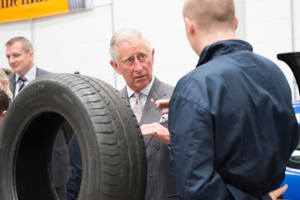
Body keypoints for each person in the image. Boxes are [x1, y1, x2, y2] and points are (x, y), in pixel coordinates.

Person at [167, 0, 299, 199]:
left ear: (190, 26)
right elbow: (289, 139)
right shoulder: (274, 73)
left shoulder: (194, 87)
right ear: (235, 22)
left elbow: (197, 189)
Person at [66, 28, 178, 200]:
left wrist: (172, 139)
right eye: (130, 61)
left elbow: (199, 151)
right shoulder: (109, 107)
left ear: (152, 56)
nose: (139, 67)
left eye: (142, 57)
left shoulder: (176, 97)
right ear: (116, 66)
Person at [5, 36, 70, 200]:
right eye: (8, 56)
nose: (11, 60)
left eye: (16, 55)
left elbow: (67, 123)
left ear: (30, 55)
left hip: (52, 163)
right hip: (18, 165)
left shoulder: (53, 80)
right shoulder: (6, 85)